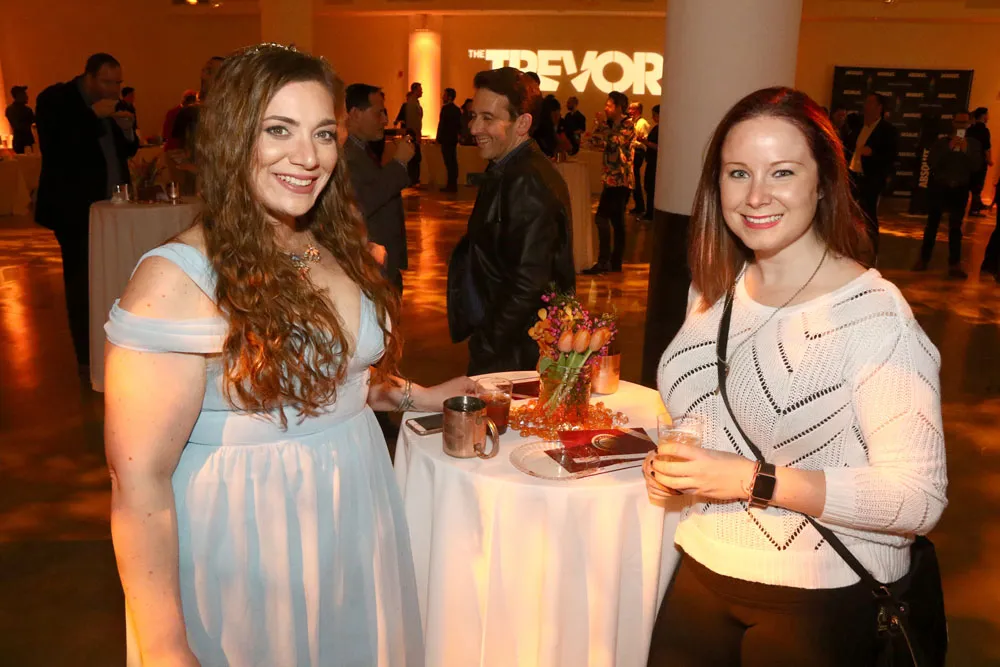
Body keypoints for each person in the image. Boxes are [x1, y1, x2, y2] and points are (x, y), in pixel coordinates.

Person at [104, 44, 473, 666]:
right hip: (249, 534)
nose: (308, 157)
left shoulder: (332, 242)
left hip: (355, 505)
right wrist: (165, 646)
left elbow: (332, 377)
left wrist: (418, 396)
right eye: (279, 129)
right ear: (231, 138)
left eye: (323, 133)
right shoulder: (177, 280)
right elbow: (138, 480)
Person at [643, 87, 947, 666]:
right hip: (703, 568)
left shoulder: (875, 316)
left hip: (819, 594)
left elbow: (918, 498)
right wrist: (676, 468)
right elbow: (708, 415)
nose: (756, 195)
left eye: (782, 172)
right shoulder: (712, 288)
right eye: (738, 173)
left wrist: (752, 480)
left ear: (824, 182)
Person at [447, 67, 575, 374]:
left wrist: (487, 345)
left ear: (522, 123)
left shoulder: (526, 181)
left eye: (488, 118)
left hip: (515, 354)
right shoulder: (509, 168)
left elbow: (528, 282)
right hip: (509, 343)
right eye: (474, 116)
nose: (474, 127)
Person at [35, 52, 139, 376]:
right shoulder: (55, 100)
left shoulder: (116, 104)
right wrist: (93, 117)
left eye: (118, 82)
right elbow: (57, 148)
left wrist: (127, 131)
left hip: (115, 207)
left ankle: (118, 343)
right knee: (81, 282)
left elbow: (126, 151)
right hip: (74, 209)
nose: (114, 89)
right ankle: (86, 354)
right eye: (107, 82)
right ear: (89, 77)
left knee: (117, 274)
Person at [344, 82, 414, 293]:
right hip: (368, 264)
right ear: (355, 114)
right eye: (378, 113)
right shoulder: (346, 154)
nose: (384, 120)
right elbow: (362, 202)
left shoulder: (361, 149)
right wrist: (399, 163)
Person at [913, 110, 983, 279]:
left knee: (956, 228)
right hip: (940, 188)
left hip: (960, 189)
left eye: (964, 123)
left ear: (969, 124)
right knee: (932, 226)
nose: (961, 126)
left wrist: (966, 150)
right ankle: (923, 259)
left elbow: (977, 167)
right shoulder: (942, 142)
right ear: (953, 123)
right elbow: (931, 162)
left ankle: (955, 264)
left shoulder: (973, 144)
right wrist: (948, 148)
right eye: (959, 122)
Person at [582, 91, 635, 275]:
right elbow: (593, 141)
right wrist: (599, 127)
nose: (606, 108)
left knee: (602, 218)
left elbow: (614, 142)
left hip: (620, 180)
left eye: (609, 105)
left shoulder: (628, 125)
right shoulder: (610, 125)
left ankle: (605, 261)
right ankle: (614, 262)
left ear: (619, 107)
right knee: (616, 221)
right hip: (610, 179)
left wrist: (603, 126)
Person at [847, 93, 898, 256]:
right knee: (849, 211)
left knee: (868, 214)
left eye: (870, 103)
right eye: (866, 102)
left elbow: (891, 156)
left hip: (871, 178)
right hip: (852, 175)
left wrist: (873, 154)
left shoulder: (887, 130)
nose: (866, 106)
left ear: (879, 108)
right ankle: (850, 244)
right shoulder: (858, 127)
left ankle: (872, 248)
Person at [394, 82, 423, 186]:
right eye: (420, 90)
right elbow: (413, 121)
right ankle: (412, 179)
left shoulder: (415, 103)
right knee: (413, 157)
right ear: (415, 90)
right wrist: (416, 135)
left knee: (416, 158)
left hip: (414, 134)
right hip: (413, 135)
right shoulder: (411, 104)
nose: (422, 91)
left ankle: (414, 179)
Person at [966, 107, 992, 216]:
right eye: (987, 114)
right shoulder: (984, 130)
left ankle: (977, 204)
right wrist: (989, 159)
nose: (988, 117)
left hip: (968, 160)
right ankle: (974, 209)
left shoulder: (969, 129)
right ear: (983, 115)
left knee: (969, 183)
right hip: (980, 161)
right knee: (977, 185)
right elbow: (986, 147)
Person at [436, 87, 462, 192]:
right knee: (453, 162)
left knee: (449, 162)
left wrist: (438, 138)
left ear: (449, 97)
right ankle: (453, 184)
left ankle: (450, 185)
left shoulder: (445, 109)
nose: (443, 97)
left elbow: (441, 125)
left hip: (446, 139)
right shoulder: (457, 110)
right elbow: (459, 125)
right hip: (453, 139)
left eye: (445, 95)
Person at [629, 102, 651, 216]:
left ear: (638, 110)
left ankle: (640, 206)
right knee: (633, 178)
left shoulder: (642, 123)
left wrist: (632, 142)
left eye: (631, 109)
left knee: (635, 178)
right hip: (633, 152)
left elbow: (644, 142)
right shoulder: (633, 122)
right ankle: (638, 205)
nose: (629, 111)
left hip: (638, 152)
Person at [533, 94, 571, 159]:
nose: (558, 116)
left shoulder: (560, 124)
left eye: (558, 112)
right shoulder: (541, 131)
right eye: (554, 113)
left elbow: (568, 147)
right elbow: (548, 151)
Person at [641, 104, 660, 222]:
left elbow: (659, 147)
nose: (653, 117)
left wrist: (646, 143)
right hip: (651, 161)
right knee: (648, 187)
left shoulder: (661, 129)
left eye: (655, 115)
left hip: (654, 163)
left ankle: (650, 213)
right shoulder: (657, 128)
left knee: (651, 187)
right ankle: (649, 212)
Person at [5, 85, 35, 154]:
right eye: (24, 94)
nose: (27, 97)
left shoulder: (26, 109)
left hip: (24, 141)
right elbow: (18, 126)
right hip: (21, 142)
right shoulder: (13, 110)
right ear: (18, 96)